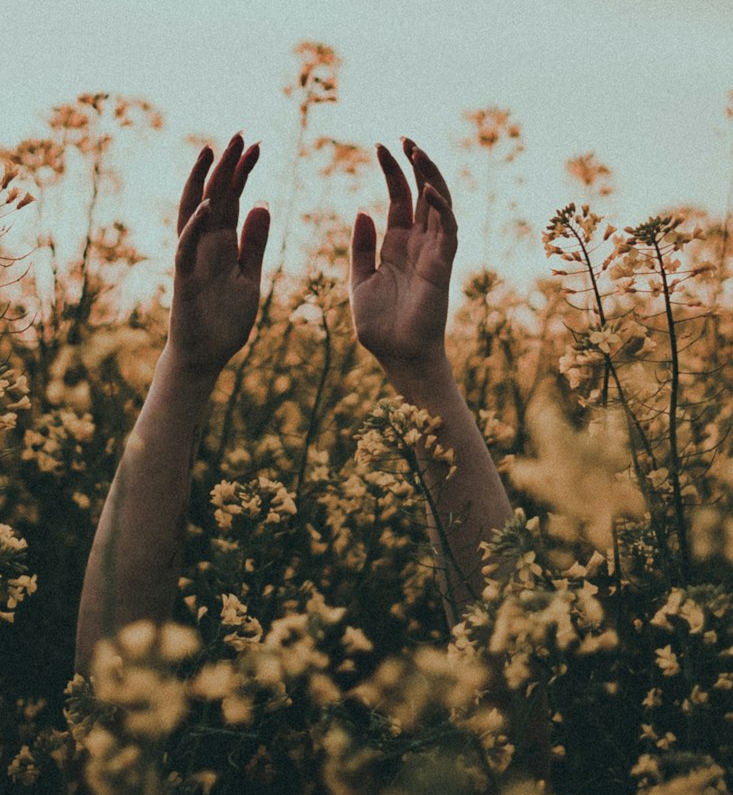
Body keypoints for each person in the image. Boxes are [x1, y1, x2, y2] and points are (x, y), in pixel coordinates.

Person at [74, 130, 517, 676]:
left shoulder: (116, 752)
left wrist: (420, 366)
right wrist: (186, 362)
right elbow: (514, 696)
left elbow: (108, 697)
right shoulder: (118, 742)